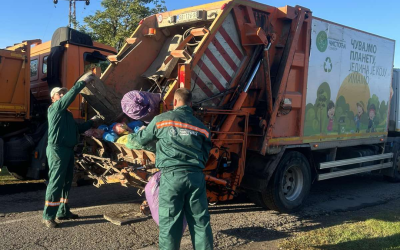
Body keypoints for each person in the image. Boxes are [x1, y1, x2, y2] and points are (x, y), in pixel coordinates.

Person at [135, 88, 213, 250]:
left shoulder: (161, 120)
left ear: (175, 102)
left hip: (171, 178)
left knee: (170, 223)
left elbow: (142, 141)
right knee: (200, 222)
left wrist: (139, 133)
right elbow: (206, 153)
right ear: (190, 104)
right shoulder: (202, 128)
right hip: (195, 177)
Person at [43, 73, 100, 228]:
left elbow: (77, 128)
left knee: (67, 181)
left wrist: (92, 122)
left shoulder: (66, 114)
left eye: (63, 92)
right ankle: (48, 216)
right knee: (56, 182)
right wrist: (82, 82)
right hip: (57, 150)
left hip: (67, 150)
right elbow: (71, 95)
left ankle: (63, 211)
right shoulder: (55, 109)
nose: (62, 94)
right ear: (53, 98)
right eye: (59, 93)